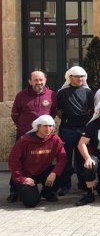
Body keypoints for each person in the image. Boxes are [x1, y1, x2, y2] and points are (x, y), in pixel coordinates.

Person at [8, 70, 57, 202]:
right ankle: (14, 190)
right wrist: (23, 127)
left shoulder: (51, 94)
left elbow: (52, 113)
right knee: (19, 161)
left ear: (45, 80)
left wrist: (44, 128)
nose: (39, 83)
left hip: (43, 136)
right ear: (30, 81)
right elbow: (15, 114)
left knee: (44, 160)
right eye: (35, 80)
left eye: (41, 80)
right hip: (25, 135)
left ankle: (48, 191)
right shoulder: (21, 95)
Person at [8, 115, 67, 208]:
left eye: (50, 126)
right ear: (38, 126)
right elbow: (13, 160)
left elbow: (62, 157)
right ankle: (22, 191)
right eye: (45, 126)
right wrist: (21, 178)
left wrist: (54, 173)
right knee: (31, 202)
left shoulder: (55, 139)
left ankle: (48, 192)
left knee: (65, 169)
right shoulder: (24, 140)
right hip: (27, 174)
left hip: (43, 171)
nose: (48, 129)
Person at [56, 66, 94, 196]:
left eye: (82, 76)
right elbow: (59, 111)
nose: (80, 79)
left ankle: (83, 184)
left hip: (83, 130)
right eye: (77, 76)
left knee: (82, 158)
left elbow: (90, 110)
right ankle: (64, 185)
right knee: (65, 158)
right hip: (67, 129)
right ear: (70, 77)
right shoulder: (61, 93)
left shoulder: (88, 92)